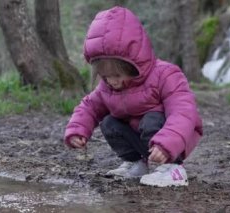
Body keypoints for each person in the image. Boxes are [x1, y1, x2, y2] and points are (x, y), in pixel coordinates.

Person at [64, 6, 203, 187]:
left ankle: (174, 169)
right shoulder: (106, 87)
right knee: (108, 122)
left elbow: (183, 112)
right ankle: (137, 164)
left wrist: (168, 144)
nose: (112, 82)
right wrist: (77, 130)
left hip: (172, 138)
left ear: (132, 65)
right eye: (105, 76)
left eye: (117, 75)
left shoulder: (165, 74)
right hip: (141, 139)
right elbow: (89, 107)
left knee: (151, 119)